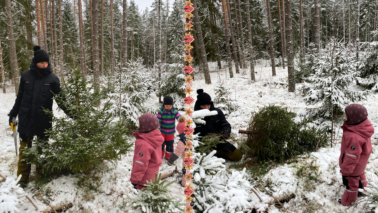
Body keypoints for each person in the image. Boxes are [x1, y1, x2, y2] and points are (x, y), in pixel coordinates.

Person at [7, 46, 71, 187]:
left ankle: (42, 174)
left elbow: (61, 100)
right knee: (25, 151)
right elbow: (20, 97)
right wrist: (12, 114)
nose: (45, 65)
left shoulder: (53, 79)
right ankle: (22, 179)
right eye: (42, 62)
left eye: (46, 62)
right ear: (36, 62)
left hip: (43, 120)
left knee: (43, 149)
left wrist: (73, 114)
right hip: (26, 119)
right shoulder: (25, 76)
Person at [338, 104, 374, 206]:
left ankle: (348, 200)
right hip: (361, 164)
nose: (344, 117)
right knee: (360, 174)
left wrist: (346, 171)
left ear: (353, 118)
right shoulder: (362, 128)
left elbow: (351, 156)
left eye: (346, 115)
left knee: (351, 183)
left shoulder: (353, 135)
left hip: (353, 167)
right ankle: (363, 189)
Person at [194, 89, 242, 161]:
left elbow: (225, 125)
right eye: (203, 105)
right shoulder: (194, 117)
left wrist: (224, 134)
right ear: (199, 105)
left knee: (237, 156)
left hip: (219, 142)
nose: (206, 107)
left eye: (208, 105)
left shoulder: (217, 112)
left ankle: (219, 154)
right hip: (204, 146)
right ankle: (213, 156)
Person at [130, 113, 164, 190]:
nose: (138, 126)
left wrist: (134, 181)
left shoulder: (143, 143)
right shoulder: (155, 138)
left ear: (145, 126)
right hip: (153, 177)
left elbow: (140, 164)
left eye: (139, 124)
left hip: (143, 181)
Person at [167, 116, 187, 186]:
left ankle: (184, 183)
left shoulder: (182, 140)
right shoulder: (190, 137)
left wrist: (170, 161)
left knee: (186, 169)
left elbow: (177, 152)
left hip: (187, 161)